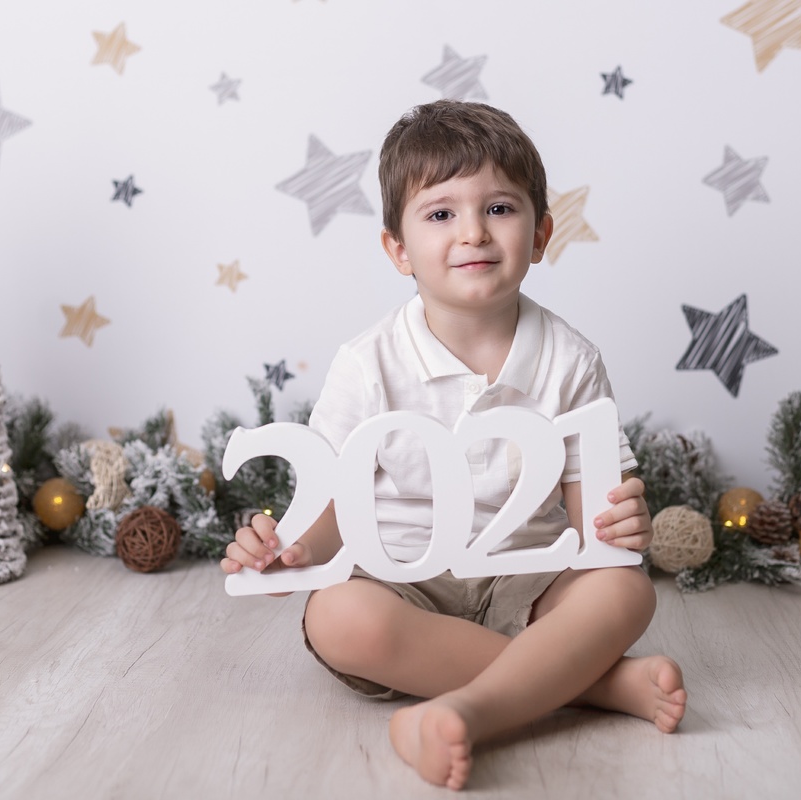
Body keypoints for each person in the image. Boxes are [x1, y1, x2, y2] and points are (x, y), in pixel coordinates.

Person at [221, 100, 686, 790]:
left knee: (625, 594)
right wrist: (287, 553)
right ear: (398, 249)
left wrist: (621, 525)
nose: (473, 232)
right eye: (441, 214)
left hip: (528, 586)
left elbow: (599, 532)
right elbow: (331, 511)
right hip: (403, 586)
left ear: (540, 234)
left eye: (499, 208)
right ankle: (592, 686)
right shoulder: (368, 362)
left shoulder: (571, 359)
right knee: (339, 617)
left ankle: (465, 710)